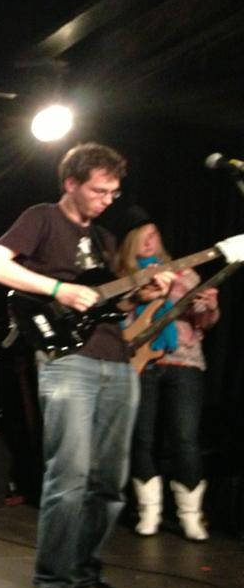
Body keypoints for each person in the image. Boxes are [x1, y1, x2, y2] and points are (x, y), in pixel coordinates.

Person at [0, 142, 173, 588]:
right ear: (71, 183)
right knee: (69, 476)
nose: (107, 200)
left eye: (113, 192)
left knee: (109, 483)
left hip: (117, 361)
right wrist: (59, 289)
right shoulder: (42, 217)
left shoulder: (105, 238)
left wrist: (142, 296)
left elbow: (108, 306)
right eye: (99, 190)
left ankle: (86, 577)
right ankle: (51, 584)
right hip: (68, 362)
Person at [114, 210, 220, 541]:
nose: (150, 241)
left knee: (185, 439)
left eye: (155, 234)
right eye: (143, 236)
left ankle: (190, 515)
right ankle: (149, 512)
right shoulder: (123, 277)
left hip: (184, 362)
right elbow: (115, 320)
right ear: (131, 243)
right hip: (140, 363)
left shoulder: (185, 273)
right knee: (141, 439)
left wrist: (210, 306)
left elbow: (204, 322)